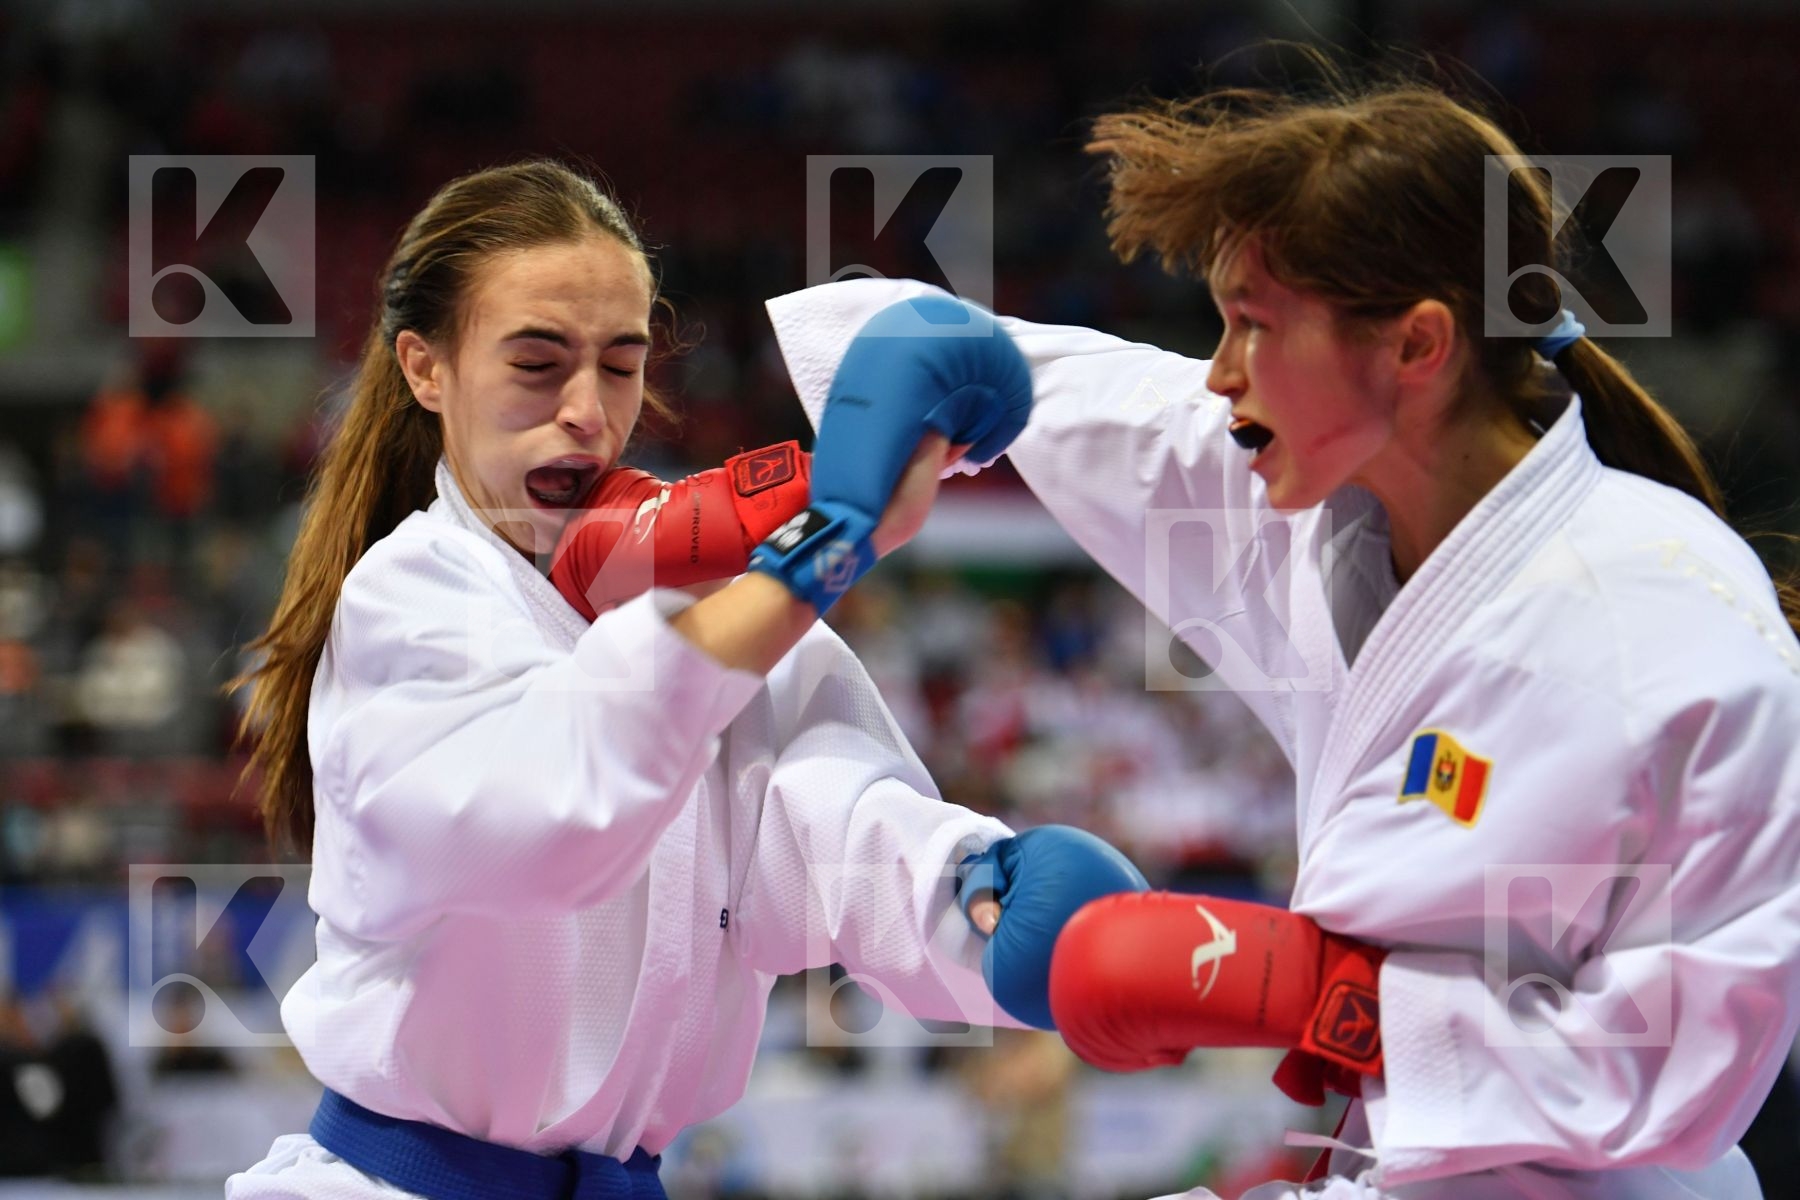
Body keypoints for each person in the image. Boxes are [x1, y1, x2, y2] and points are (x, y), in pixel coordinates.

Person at [763, 82, 1800, 1200]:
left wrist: (1315, 995)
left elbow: (1693, 1067)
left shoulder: (1665, 627)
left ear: (1417, 345)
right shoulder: (1306, 495)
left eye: (1253, 324)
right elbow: (1111, 404)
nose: (1220, 372)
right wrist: (920, 352)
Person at [224, 159, 1144, 1200]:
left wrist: (1000, 910)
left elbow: (835, 833)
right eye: (538, 363)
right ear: (426, 370)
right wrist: (819, 549)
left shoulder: (723, 609)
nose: (587, 411)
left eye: (618, 366)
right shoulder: (407, 599)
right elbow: (560, 812)